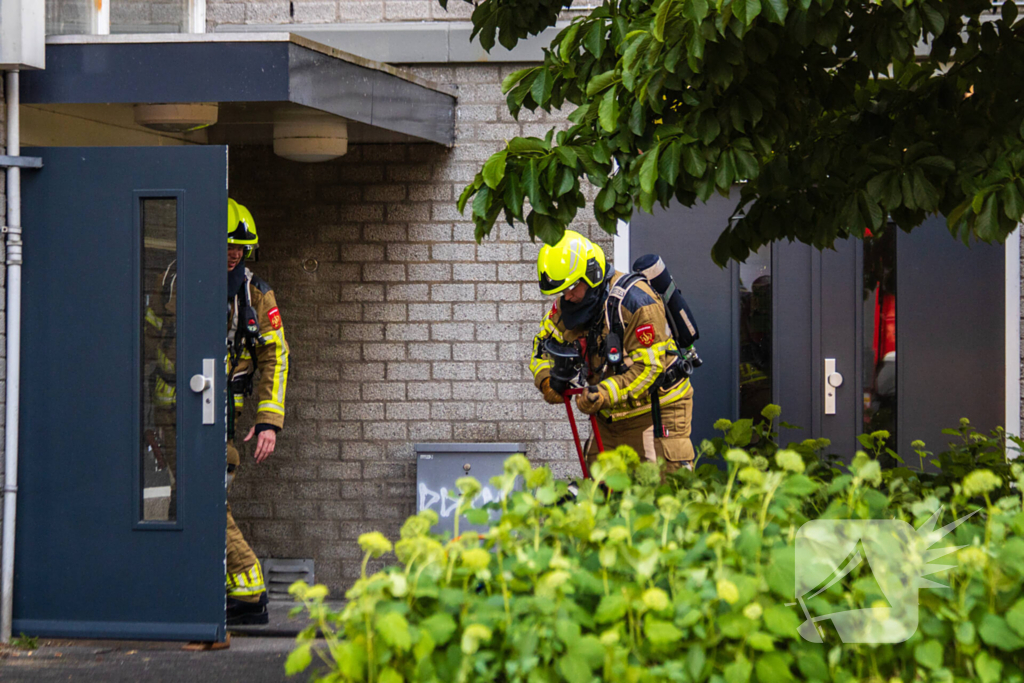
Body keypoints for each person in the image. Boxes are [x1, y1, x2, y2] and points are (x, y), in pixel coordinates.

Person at [530, 230, 695, 473]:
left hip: (657, 413)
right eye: (562, 291)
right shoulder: (570, 305)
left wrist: (604, 393)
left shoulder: (637, 303)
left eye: (573, 287)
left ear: (592, 274)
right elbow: (541, 347)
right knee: (599, 499)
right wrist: (546, 380)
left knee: (661, 501)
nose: (568, 296)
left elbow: (649, 369)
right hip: (608, 419)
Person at [224, 198, 290, 626]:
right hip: (166, 413)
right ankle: (236, 589)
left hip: (220, 415)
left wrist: (268, 421)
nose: (234, 253)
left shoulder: (255, 292)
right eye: (229, 245)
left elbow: (275, 357)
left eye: (241, 248)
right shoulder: (178, 277)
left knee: (204, 499)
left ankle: (248, 587)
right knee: (187, 501)